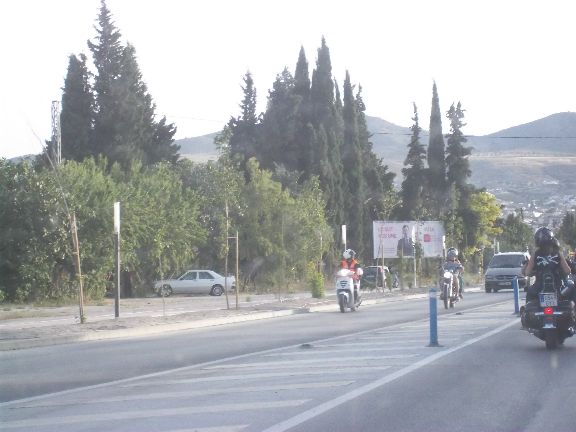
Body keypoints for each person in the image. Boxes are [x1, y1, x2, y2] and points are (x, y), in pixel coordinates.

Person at [523, 227, 572, 302]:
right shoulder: (558, 253)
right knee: (571, 289)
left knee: (529, 295)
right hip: (557, 288)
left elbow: (527, 272)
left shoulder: (535, 254)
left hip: (539, 288)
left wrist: (534, 272)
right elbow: (567, 271)